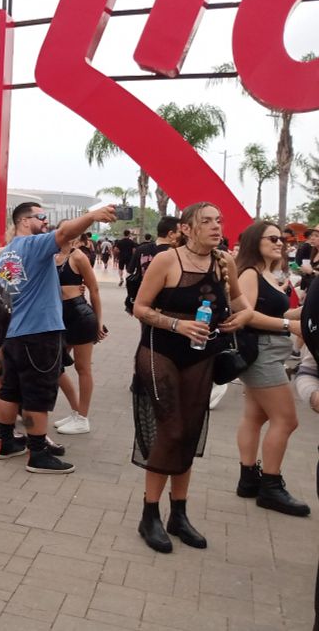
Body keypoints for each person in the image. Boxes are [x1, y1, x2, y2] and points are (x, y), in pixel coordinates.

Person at [131, 202, 251, 553]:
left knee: (190, 431)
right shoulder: (167, 260)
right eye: (207, 221)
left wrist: (242, 318)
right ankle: (149, 514)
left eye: (219, 220)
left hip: (202, 354)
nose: (216, 226)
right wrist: (176, 324)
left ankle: (179, 515)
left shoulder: (224, 262)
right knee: (171, 430)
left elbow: (242, 305)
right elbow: (140, 308)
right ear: (185, 228)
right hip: (160, 351)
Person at [0, 202, 116, 474]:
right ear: (24, 221)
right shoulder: (33, 244)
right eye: (41, 216)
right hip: (39, 333)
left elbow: (4, 293)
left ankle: (6, 441)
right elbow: (65, 233)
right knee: (37, 394)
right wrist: (92, 216)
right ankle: (38, 454)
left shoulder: (6, 254)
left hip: (15, 333)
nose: (46, 221)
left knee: (10, 390)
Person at [233, 221, 310, 517]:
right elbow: (247, 315)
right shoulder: (250, 273)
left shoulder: (263, 272)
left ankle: (248, 479)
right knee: (286, 420)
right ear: (256, 241)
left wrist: (299, 313)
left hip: (268, 351)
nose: (280, 243)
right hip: (263, 352)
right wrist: (290, 324)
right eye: (273, 238)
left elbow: (270, 310)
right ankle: (271, 486)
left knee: (255, 416)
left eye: (282, 239)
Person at [52, 231, 106, 435]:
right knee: (55, 364)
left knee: (82, 367)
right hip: (58, 317)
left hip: (80, 315)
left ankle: (82, 418)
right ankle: (76, 411)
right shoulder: (51, 256)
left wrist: (99, 322)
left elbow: (94, 289)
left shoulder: (78, 257)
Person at [126, 217, 181, 315]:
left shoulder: (141, 249)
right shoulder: (177, 253)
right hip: (168, 305)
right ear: (171, 234)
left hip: (143, 302)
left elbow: (131, 272)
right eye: (180, 232)